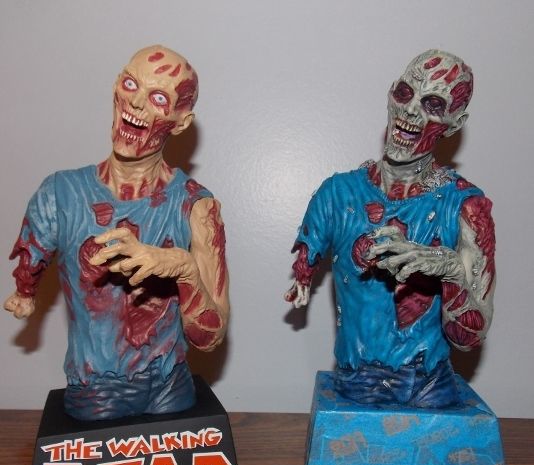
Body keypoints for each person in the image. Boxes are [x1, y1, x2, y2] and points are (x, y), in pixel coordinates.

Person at [4, 45, 229, 420]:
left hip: (172, 389)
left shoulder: (197, 207)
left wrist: (183, 268)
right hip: (95, 391)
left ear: (180, 122)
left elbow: (210, 338)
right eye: (131, 84)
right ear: (115, 87)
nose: (136, 102)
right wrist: (25, 292)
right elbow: (31, 259)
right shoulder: (61, 194)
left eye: (158, 98)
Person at [285, 50, 495, 408]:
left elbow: (468, 339)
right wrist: (302, 274)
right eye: (405, 93)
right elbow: (308, 252)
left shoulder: (467, 208)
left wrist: (451, 270)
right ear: (391, 94)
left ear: (454, 123)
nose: (411, 110)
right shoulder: (338, 193)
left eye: (432, 104)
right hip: (358, 382)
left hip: (431, 384)